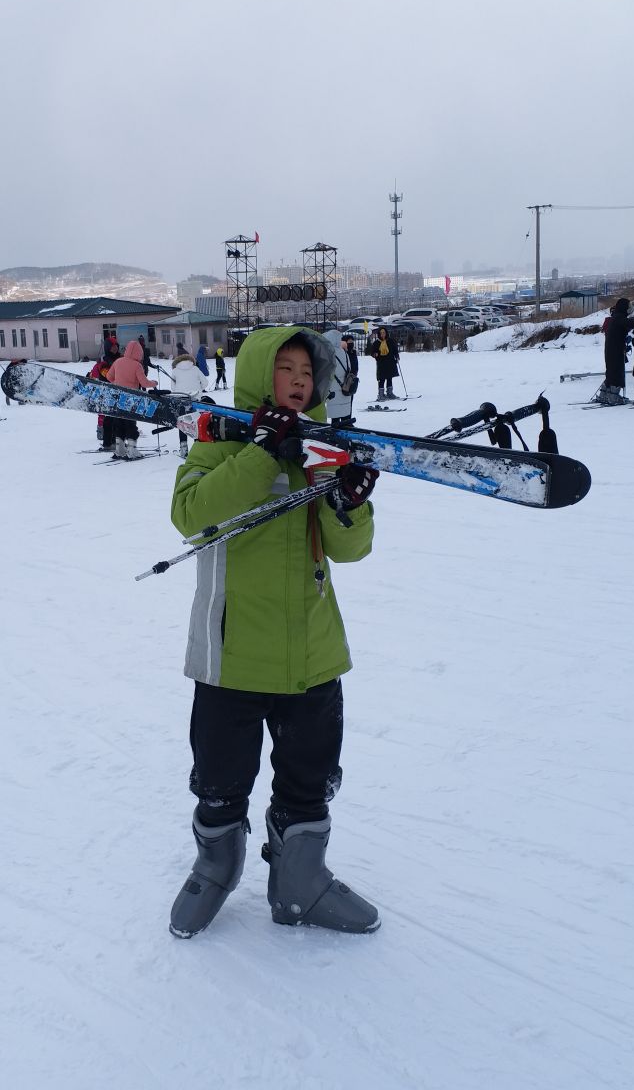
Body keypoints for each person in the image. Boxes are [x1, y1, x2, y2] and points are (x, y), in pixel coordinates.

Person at [168, 326, 381, 939]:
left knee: (308, 778)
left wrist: (351, 501)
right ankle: (215, 870)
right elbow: (190, 515)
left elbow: (352, 550)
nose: (296, 380)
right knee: (220, 778)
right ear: (261, 373)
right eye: (284, 368)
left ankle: (300, 884)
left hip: (311, 656)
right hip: (229, 655)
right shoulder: (217, 440)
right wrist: (261, 453)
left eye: (306, 373)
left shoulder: (325, 451)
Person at [105, 339, 157, 458]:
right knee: (130, 423)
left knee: (119, 422)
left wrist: (117, 383)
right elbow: (144, 383)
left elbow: (108, 376)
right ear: (139, 353)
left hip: (118, 397)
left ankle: (119, 449)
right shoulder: (137, 365)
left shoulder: (118, 361)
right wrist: (154, 383)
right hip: (131, 399)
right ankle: (132, 450)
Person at [596, 297, 634, 404]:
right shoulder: (619, 318)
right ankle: (613, 397)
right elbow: (630, 323)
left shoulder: (615, 317)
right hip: (616, 349)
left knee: (611, 371)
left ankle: (604, 394)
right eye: (628, 306)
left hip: (610, 348)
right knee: (617, 371)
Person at [171, 347, 208, 458]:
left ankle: (183, 449)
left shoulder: (175, 371)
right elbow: (205, 383)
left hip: (181, 400)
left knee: (182, 424)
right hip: (196, 400)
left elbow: (173, 388)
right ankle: (198, 448)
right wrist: (198, 390)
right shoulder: (195, 369)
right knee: (196, 423)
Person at [322, 326, 355, 426]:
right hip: (345, 387)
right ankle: (347, 432)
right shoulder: (344, 352)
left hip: (334, 388)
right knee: (345, 415)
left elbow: (326, 370)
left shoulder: (328, 353)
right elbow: (349, 367)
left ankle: (335, 437)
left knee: (335, 419)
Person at [89, 349, 118, 449]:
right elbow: (108, 377)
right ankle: (102, 434)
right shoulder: (102, 367)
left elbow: (91, 375)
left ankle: (102, 434)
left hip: (98, 392)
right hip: (101, 392)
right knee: (105, 415)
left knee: (102, 414)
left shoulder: (96, 366)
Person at [370, 326, 400, 400]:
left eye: (384, 333)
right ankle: (381, 394)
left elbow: (395, 350)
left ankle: (390, 393)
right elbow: (372, 352)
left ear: (386, 333)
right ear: (379, 334)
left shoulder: (390, 341)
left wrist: (397, 356)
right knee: (382, 379)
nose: (382, 334)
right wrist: (375, 354)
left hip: (390, 362)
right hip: (381, 363)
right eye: (381, 333)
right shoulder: (376, 343)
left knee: (389, 378)